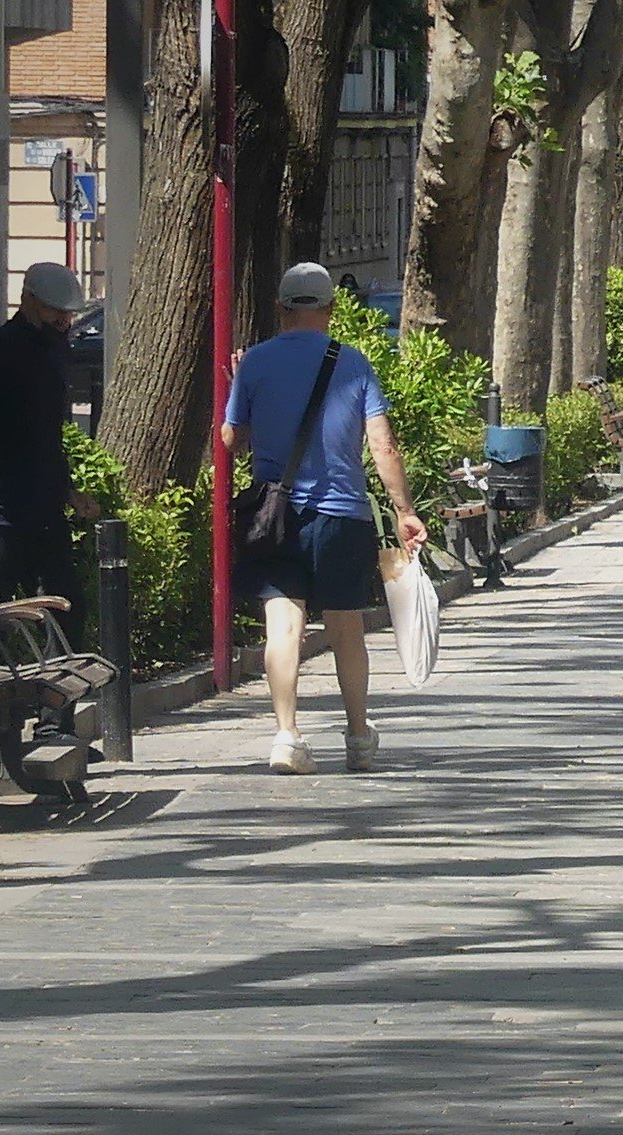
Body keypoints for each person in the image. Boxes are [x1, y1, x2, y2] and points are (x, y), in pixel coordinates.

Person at [222, 263, 428, 775]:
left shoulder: (256, 363)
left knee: (282, 624)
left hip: (275, 517)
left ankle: (287, 735)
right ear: (331, 309)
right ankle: (358, 735)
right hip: (342, 516)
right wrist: (404, 511)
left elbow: (229, 439)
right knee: (346, 629)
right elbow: (382, 443)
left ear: (282, 308)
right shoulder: (353, 364)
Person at [0, 263, 102, 648]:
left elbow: (44, 435)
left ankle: (54, 708)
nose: (64, 320)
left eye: (68, 312)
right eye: (54, 310)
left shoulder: (55, 349)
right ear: (27, 301)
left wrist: (67, 491)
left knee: (68, 616)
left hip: (44, 515)